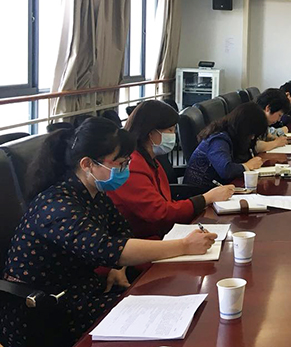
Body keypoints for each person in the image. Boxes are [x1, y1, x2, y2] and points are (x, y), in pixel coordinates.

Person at [0, 117, 216, 347]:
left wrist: (117, 267)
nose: (126, 169)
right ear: (87, 164)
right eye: (120, 163)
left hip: (83, 292)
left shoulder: (93, 193)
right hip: (45, 309)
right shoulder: (56, 205)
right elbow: (107, 248)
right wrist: (184, 246)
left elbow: (121, 231)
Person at [108, 101, 234, 239]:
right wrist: (206, 199)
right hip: (144, 240)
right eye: (170, 130)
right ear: (151, 133)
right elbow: (160, 213)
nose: (174, 135)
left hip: (160, 232)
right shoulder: (131, 165)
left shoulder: (149, 159)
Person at [184, 102, 269, 191]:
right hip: (200, 193)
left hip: (219, 190)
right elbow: (226, 170)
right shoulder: (218, 139)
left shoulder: (232, 135)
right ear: (243, 128)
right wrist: (247, 165)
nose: (252, 138)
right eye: (251, 133)